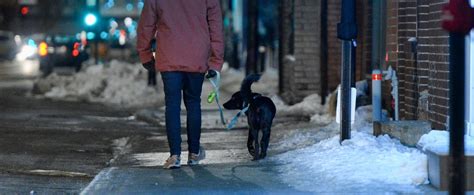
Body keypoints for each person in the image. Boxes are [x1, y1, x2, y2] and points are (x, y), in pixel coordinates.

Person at [137, 0, 224, 169]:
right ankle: (194, 153)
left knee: (172, 105)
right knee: (193, 103)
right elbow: (216, 27)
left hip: (169, 55)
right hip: (197, 56)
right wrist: (216, 61)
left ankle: (174, 155)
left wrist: (145, 54)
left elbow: (146, 25)